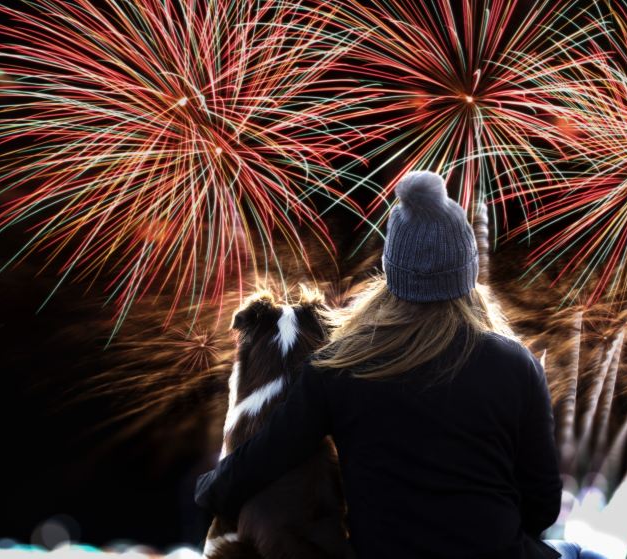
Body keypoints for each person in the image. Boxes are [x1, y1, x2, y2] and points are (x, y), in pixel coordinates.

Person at [194, 171, 604, 559]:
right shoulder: (517, 365)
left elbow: (264, 459)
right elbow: (542, 507)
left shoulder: (337, 367)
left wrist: (208, 492)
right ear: (467, 272)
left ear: (391, 271)